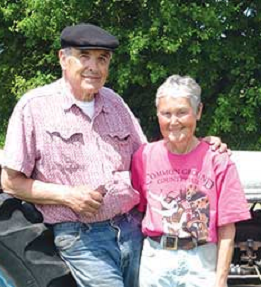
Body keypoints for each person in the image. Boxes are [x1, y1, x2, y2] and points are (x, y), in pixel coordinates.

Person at [1, 24, 227, 287]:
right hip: (80, 237)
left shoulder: (115, 103)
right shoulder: (34, 107)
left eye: (102, 59)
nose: (94, 67)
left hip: (132, 230)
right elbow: (10, 181)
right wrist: (67, 195)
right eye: (84, 57)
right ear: (63, 58)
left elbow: (151, 157)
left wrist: (199, 145)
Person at [131, 75, 251, 287]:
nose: (173, 121)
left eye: (182, 112)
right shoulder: (144, 156)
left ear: (198, 112)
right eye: (166, 113)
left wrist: (221, 280)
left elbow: (227, 229)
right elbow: (138, 209)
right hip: (156, 260)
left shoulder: (218, 160)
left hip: (201, 261)